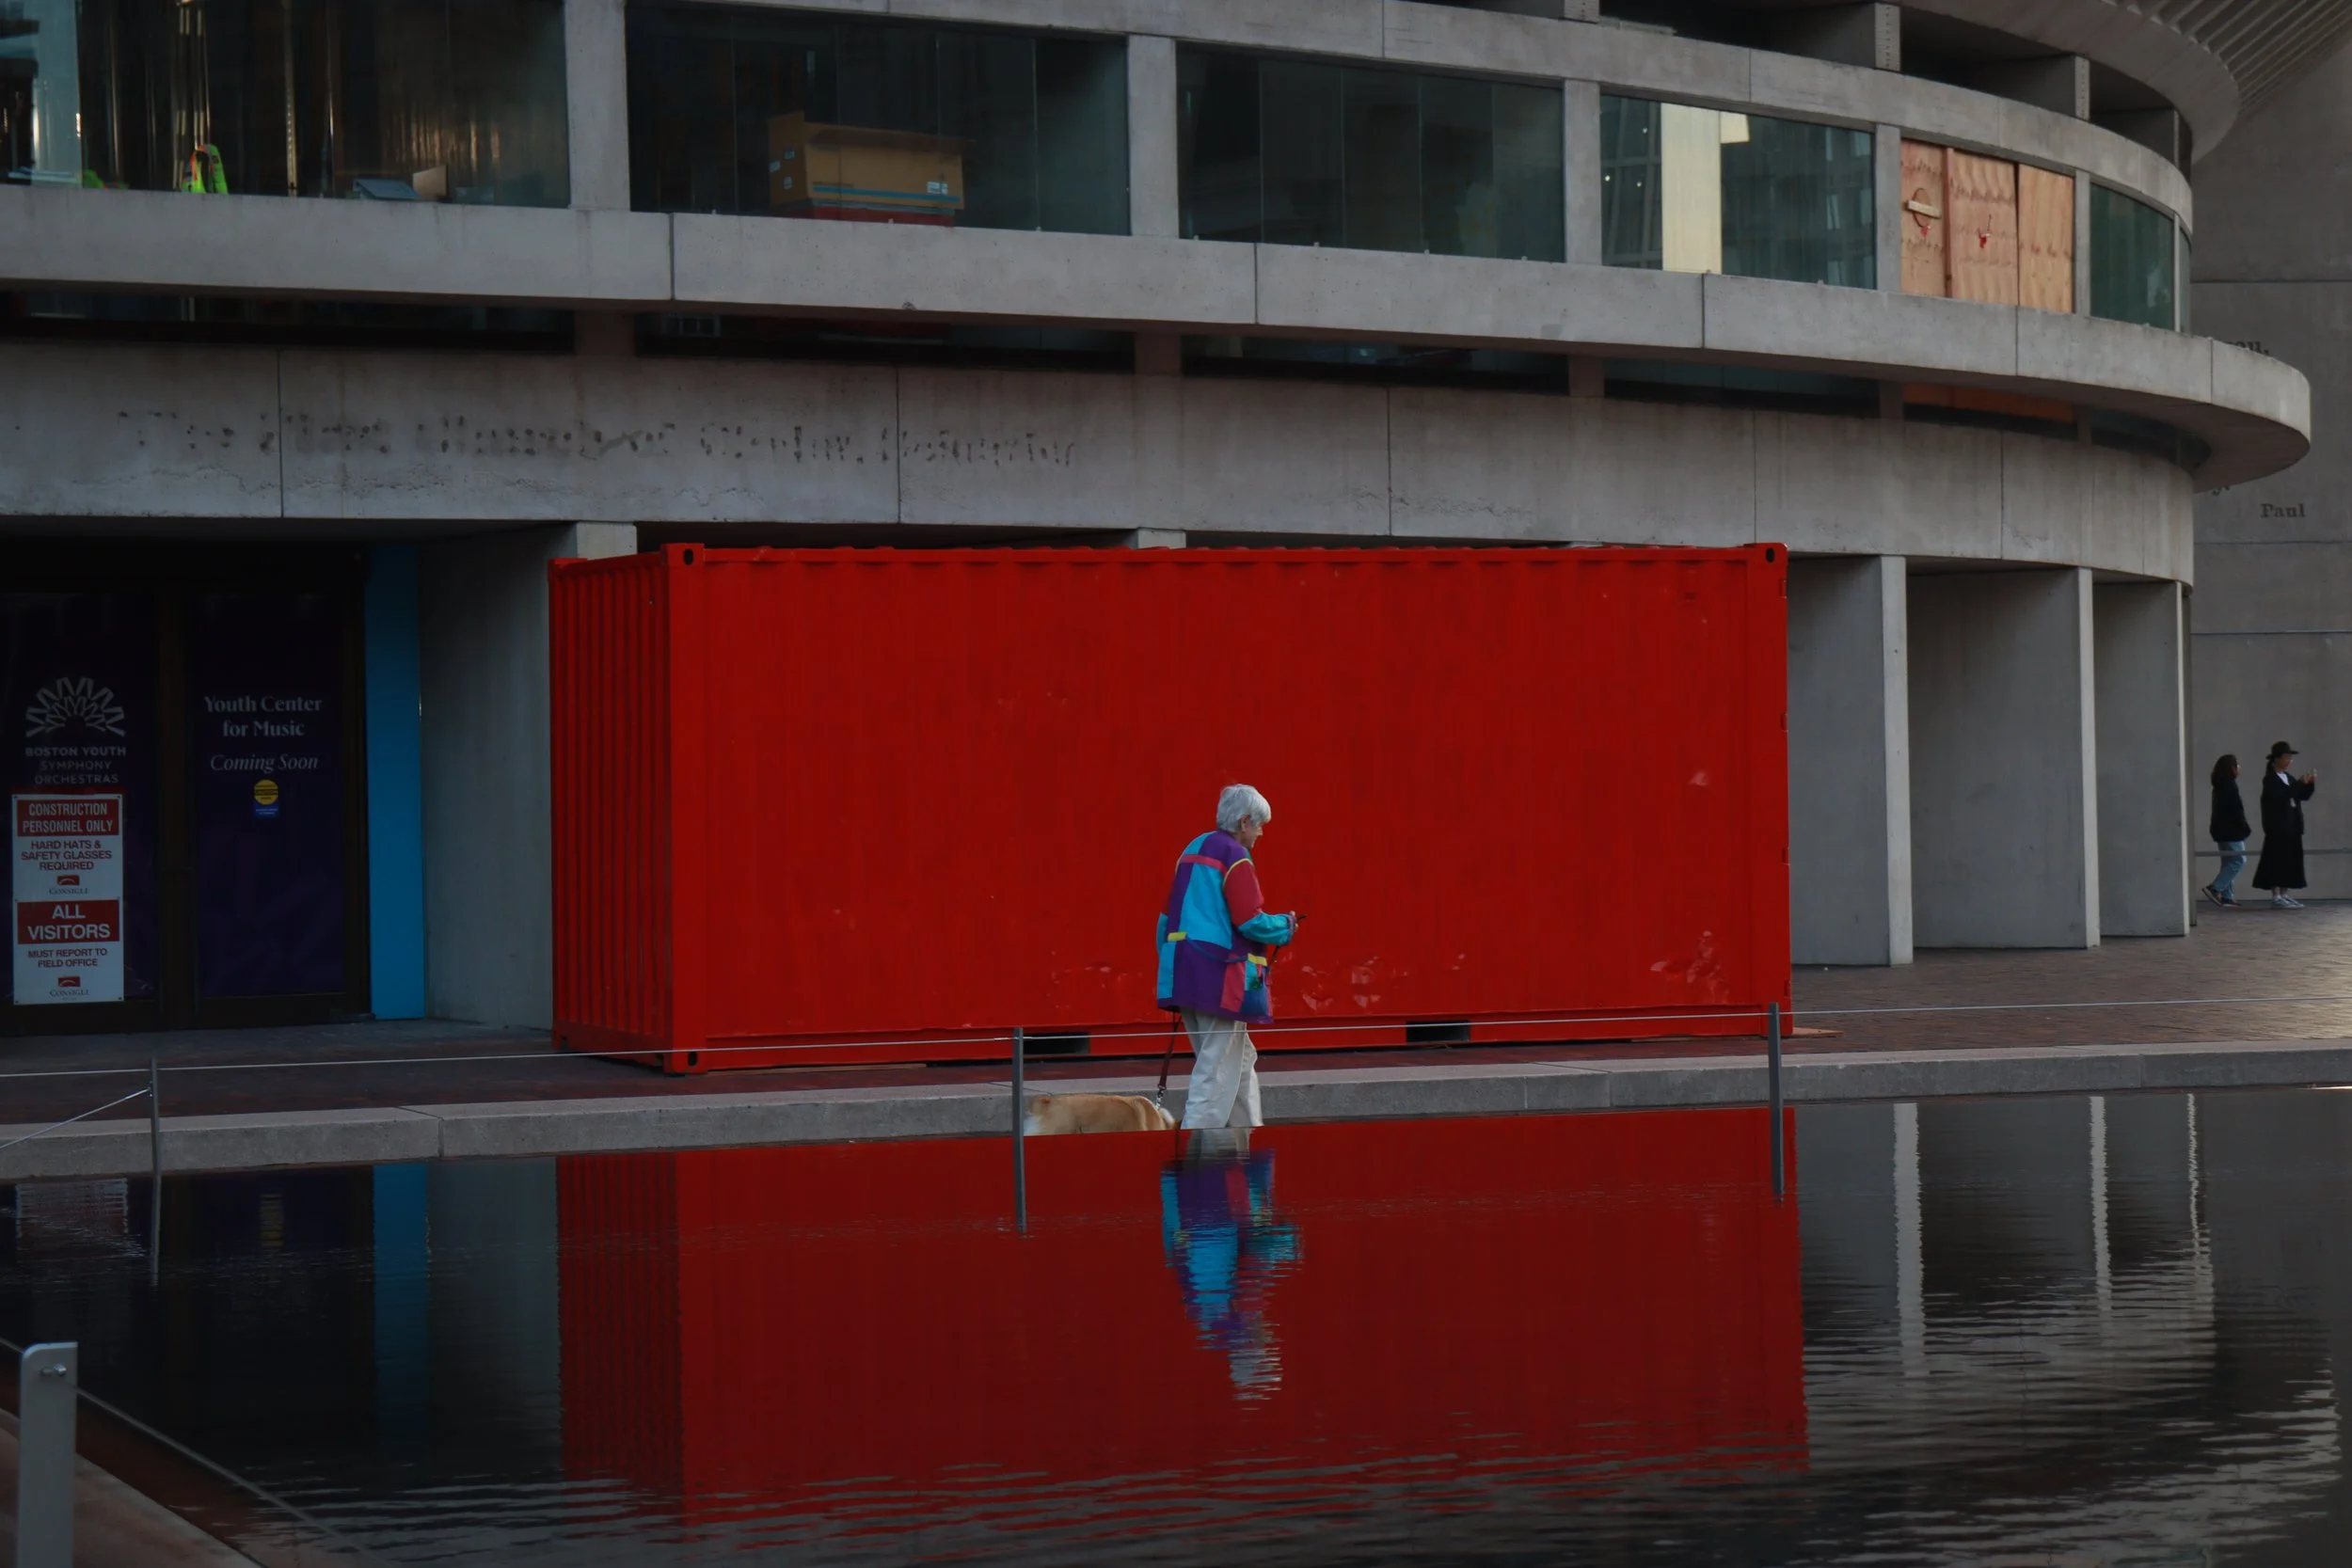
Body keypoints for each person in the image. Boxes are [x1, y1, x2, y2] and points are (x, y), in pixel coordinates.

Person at [1155, 784, 1299, 1131]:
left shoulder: (1192, 850)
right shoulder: (1234, 855)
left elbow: (1165, 919)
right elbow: (1250, 920)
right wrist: (1286, 925)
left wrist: (1173, 962)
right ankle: (1199, 1151)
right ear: (1245, 821)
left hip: (1184, 972)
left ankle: (1246, 1136)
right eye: (1260, 824)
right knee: (1217, 1069)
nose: (1262, 832)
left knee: (1239, 1058)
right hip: (1220, 976)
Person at [2252, 740, 2319, 909]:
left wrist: (2309, 784)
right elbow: (2281, 796)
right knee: (2277, 860)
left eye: (2291, 758)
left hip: (2292, 826)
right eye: (2287, 757)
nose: (2289, 761)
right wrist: (2299, 784)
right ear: (2276, 759)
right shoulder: (2270, 779)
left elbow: (2300, 796)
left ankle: (2284, 893)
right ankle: (2276, 896)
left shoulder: (2288, 777)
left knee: (2290, 861)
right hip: (2278, 827)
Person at [2204, 753, 2250, 909]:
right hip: (2232, 831)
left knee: (2228, 863)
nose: (2239, 768)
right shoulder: (2229, 785)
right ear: (2231, 768)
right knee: (2239, 861)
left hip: (2220, 831)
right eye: (2237, 765)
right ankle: (2216, 888)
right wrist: (2243, 826)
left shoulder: (2218, 785)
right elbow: (2235, 810)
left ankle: (2227, 897)